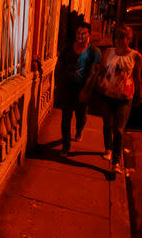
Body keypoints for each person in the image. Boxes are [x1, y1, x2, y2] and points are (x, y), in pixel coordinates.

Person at [97, 25, 141, 174]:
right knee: (107, 124)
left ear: (129, 39)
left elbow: (137, 76)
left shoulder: (136, 56)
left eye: (124, 38)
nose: (120, 40)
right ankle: (108, 148)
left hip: (125, 97)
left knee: (119, 130)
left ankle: (116, 161)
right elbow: (102, 71)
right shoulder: (108, 52)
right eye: (117, 37)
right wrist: (98, 84)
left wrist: (139, 95)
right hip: (107, 95)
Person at [56, 22, 101, 156]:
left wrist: (85, 91)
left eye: (83, 33)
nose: (80, 36)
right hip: (68, 88)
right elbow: (59, 67)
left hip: (84, 88)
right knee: (66, 118)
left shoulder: (94, 52)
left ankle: (79, 130)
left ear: (89, 35)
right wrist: (57, 86)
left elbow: (93, 73)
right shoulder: (67, 49)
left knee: (81, 116)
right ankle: (66, 145)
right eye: (78, 33)